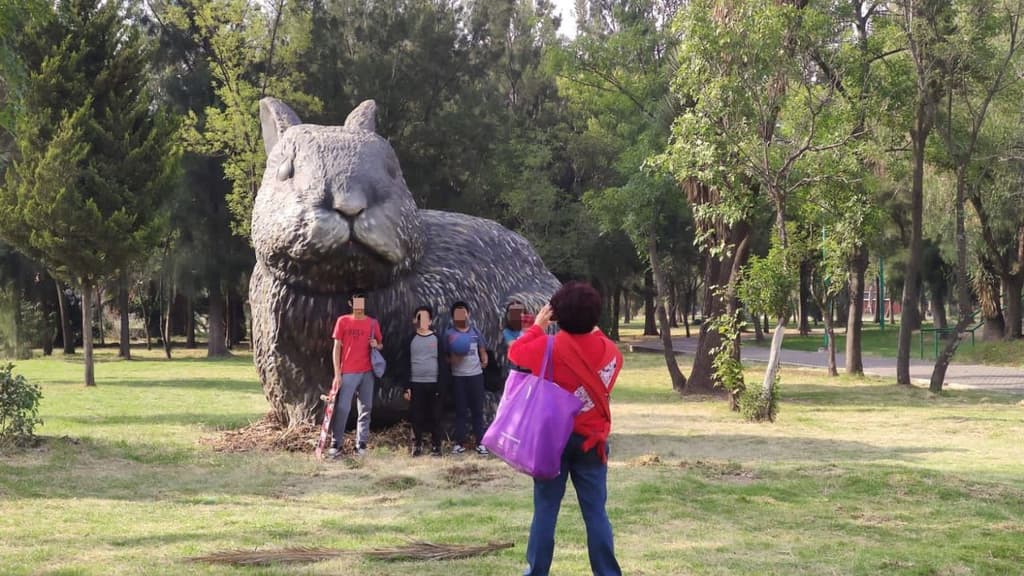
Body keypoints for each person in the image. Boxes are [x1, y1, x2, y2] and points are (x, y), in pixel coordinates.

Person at [508, 282, 623, 576]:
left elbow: (515, 354)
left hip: (551, 441)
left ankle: (536, 572)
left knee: (545, 511)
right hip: (591, 441)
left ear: (556, 315)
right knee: (596, 512)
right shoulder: (612, 353)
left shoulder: (547, 345)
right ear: (596, 316)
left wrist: (537, 326)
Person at [329, 291, 383, 457]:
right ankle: (336, 443)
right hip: (348, 372)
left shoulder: (372, 323)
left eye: (362, 302)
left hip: (367, 372)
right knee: (343, 408)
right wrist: (337, 373)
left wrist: (376, 344)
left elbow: (380, 345)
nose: (359, 306)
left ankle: (361, 444)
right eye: (356, 302)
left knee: (366, 409)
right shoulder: (343, 321)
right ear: (351, 304)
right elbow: (336, 348)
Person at [444, 301, 490, 455]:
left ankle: (481, 443)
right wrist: (452, 360)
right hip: (458, 378)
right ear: (453, 317)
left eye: (463, 312)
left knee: (478, 411)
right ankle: (459, 443)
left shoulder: (475, 332)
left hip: (476, 377)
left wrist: (484, 359)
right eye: (457, 313)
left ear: (468, 314)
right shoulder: (449, 334)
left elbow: (482, 348)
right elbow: (444, 357)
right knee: (461, 412)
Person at [405, 306, 445, 457]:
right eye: (420, 318)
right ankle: (417, 445)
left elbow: (442, 362)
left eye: (426, 318)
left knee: (436, 415)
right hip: (416, 382)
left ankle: (436, 445)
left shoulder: (437, 339)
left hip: (434, 382)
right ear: (415, 320)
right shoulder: (410, 339)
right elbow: (405, 363)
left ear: (431, 320)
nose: (423, 321)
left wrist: (441, 385)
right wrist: (406, 386)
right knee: (416, 415)